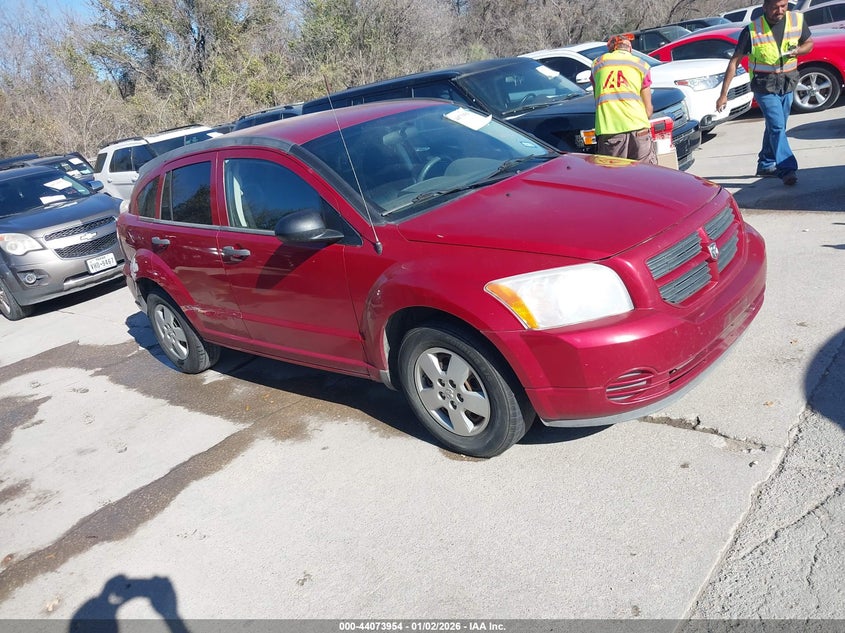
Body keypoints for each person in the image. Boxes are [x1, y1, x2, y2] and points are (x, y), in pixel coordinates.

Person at [716, 0, 813, 186]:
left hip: (787, 83)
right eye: (775, 7)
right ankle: (787, 169)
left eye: (784, 5)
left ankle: (766, 164)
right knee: (777, 126)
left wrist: (799, 50)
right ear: (765, 7)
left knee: (777, 126)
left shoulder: (797, 20)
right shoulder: (752, 30)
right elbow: (734, 62)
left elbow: (809, 43)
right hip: (764, 85)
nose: (780, 10)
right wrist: (723, 94)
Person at [590, 34, 657, 164]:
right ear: (629, 48)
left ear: (611, 48)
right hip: (639, 128)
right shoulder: (641, 64)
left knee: (616, 178)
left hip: (610, 130)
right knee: (647, 176)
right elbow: (648, 109)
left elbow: (596, 95)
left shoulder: (597, 65)